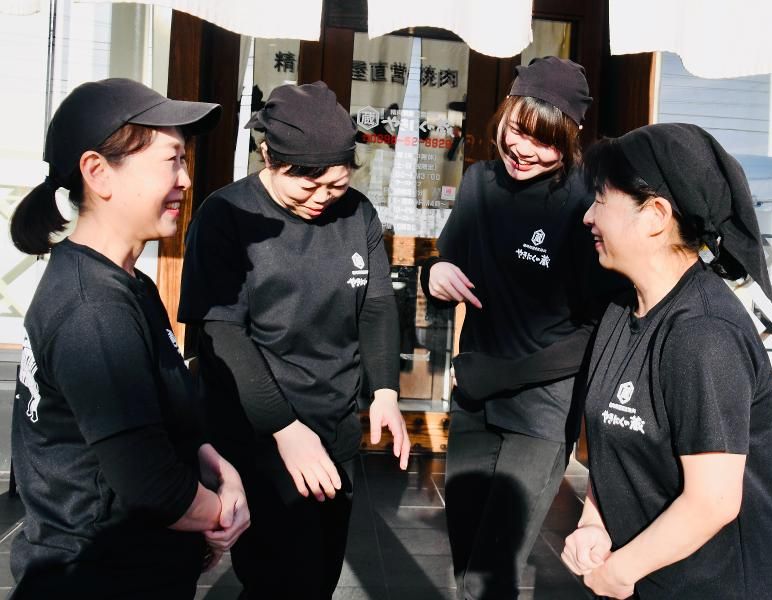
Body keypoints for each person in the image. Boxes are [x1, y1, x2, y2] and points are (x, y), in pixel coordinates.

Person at [7, 78, 250, 599]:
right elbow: (152, 487)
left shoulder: (128, 283)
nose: (186, 179)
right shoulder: (93, 309)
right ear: (98, 172)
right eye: (171, 161)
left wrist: (215, 464)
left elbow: (163, 417)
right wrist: (223, 511)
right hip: (93, 579)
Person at [178, 80, 410, 599]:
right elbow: (222, 332)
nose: (322, 198)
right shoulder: (226, 216)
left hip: (333, 424)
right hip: (260, 431)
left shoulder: (358, 214)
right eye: (307, 185)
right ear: (268, 157)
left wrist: (385, 392)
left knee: (319, 573)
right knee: (280, 578)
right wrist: (284, 427)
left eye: (337, 185)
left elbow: (375, 305)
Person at [561, 123, 772, 599]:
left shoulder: (704, 334)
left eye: (601, 200)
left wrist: (621, 570)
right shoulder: (621, 313)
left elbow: (713, 501)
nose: (588, 216)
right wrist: (593, 523)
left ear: (655, 215)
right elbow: (614, 448)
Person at [420, 57, 621, 599]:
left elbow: (597, 330)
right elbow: (446, 264)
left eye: (544, 141)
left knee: (491, 573)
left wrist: (501, 375)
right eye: (517, 130)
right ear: (504, 114)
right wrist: (432, 273)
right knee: (467, 561)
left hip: (541, 409)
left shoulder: (586, 204)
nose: (523, 150)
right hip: (475, 401)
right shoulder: (479, 184)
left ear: (570, 137)